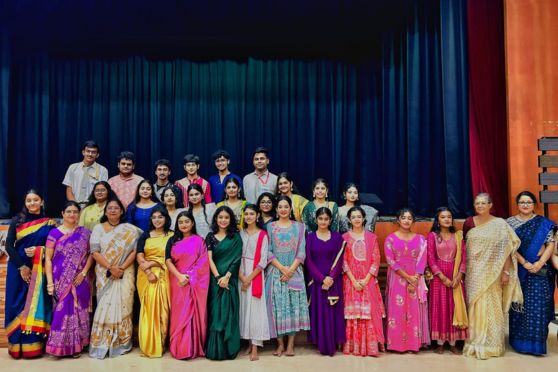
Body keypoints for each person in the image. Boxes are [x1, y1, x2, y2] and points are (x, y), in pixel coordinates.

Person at [462, 193, 522, 359]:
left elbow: (507, 250)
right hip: (473, 272)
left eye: (483, 203)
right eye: (477, 203)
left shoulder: (500, 224)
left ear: (490, 205)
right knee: (473, 304)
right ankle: (473, 341)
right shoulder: (468, 223)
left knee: (492, 305)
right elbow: (464, 248)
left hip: (494, 272)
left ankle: (493, 344)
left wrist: (505, 272)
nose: (480, 206)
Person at [4, 189, 56, 359]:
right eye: (29, 200)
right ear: (25, 202)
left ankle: (33, 346)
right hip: (18, 268)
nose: (32, 203)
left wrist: (40, 250)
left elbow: (54, 248)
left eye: (35, 200)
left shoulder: (50, 223)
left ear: (42, 201)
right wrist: (21, 267)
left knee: (36, 304)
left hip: (39, 269)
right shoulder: (16, 221)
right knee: (17, 303)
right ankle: (16, 346)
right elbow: (9, 247)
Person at [89, 198, 141, 359]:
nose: (112, 210)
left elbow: (134, 251)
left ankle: (121, 342)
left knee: (124, 304)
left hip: (125, 272)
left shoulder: (130, 230)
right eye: (109, 208)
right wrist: (111, 268)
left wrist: (121, 268)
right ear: (105, 212)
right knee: (104, 305)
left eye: (116, 208)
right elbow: (94, 251)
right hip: (105, 273)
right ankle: (101, 342)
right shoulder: (98, 228)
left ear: (121, 211)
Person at [507, 191, 555, 355]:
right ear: (517, 204)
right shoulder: (510, 223)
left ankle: (536, 345)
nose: (525, 205)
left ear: (534, 204)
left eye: (528, 202)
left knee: (539, 307)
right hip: (520, 271)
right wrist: (525, 263)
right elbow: (510, 247)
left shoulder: (544, 223)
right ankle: (519, 342)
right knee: (519, 306)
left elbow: (550, 244)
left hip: (540, 271)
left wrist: (539, 263)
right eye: (522, 202)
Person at [44, 201, 93, 357]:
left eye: (75, 211)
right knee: (62, 311)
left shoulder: (85, 233)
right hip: (60, 280)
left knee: (80, 311)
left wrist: (84, 272)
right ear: (62, 214)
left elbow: (91, 254)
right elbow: (48, 259)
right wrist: (50, 283)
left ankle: (78, 345)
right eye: (69, 211)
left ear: (79, 214)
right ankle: (60, 346)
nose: (72, 214)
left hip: (81, 279)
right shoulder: (54, 233)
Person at [266, 195, 310, 357]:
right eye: (280, 207)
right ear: (276, 209)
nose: (283, 209)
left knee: (293, 309)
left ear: (291, 208)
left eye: (286, 206)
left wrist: (290, 270)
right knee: (277, 310)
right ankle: (280, 345)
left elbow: (301, 250)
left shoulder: (299, 227)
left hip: (294, 272)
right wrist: (282, 269)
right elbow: (268, 251)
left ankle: (291, 345)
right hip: (275, 273)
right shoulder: (270, 227)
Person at [384, 208, 430, 352]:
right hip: (397, 278)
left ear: (413, 221)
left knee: (413, 310)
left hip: (415, 277)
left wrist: (415, 278)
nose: (406, 220)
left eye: (409, 218)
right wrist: (408, 278)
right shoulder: (390, 239)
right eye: (403, 217)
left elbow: (422, 260)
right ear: (398, 220)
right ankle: (396, 344)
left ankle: (412, 344)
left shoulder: (421, 239)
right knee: (397, 310)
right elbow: (391, 261)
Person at [165, 211, 209, 360]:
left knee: (192, 314)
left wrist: (189, 276)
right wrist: (179, 276)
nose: (184, 224)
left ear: (192, 223)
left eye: (187, 221)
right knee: (179, 315)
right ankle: (179, 347)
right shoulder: (172, 240)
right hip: (177, 282)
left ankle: (192, 347)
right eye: (180, 222)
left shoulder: (199, 240)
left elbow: (203, 262)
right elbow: (168, 261)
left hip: (193, 282)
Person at [342, 206, 385, 357]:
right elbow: (344, 262)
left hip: (368, 281)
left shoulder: (371, 238)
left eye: (359, 216)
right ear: (349, 219)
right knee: (354, 314)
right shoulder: (344, 238)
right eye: (353, 217)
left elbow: (376, 260)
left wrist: (366, 280)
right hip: (350, 282)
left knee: (369, 314)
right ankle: (354, 346)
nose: (356, 219)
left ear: (364, 218)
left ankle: (370, 347)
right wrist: (354, 280)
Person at [427, 207, 468, 354]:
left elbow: (464, 258)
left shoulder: (458, 236)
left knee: (453, 307)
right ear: (438, 220)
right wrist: (442, 277)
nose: (446, 219)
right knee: (440, 307)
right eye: (443, 217)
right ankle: (439, 342)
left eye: (449, 217)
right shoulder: (432, 236)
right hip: (439, 278)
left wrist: (459, 277)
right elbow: (430, 259)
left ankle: (453, 342)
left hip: (455, 275)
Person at [305, 207, 346, 356]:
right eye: (320, 219)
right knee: (319, 312)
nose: (323, 221)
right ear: (316, 220)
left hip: (334, 281)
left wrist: (330, 278)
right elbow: (308, 261)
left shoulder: (337, 238)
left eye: (326, 219)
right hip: (317, 282)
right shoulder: (310, 237)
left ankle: (334, 341)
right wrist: (322, 279)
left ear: (330, 221)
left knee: (332, 311)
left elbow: (340, 261)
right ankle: (321, 342)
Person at [136, 206, 174, 358]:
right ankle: (150, 343)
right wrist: (148, 271)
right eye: (154, 217)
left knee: (164, 310)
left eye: (160, 217)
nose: (157, 220)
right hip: (147, 277)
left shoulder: (171, 235)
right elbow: (140, 255)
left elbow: (172, 257)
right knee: (149, 308)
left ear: (166, 219)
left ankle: (162, 341)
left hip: (165, 274)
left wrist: (154, 264)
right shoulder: (145, 235)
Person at [205, 206, 243, 360]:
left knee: (230, 313)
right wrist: (217, 278)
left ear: (231, 219)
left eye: (226, 217)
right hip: (215, 281)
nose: (223, 220)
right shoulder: (210, 237)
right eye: (220, 217)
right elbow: (209, 259)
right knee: (216, 314)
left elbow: (237, 258)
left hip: (230, 280)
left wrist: (226, 276)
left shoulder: (236, 237)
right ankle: (216, 350)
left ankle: (230, 350)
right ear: (216, 219)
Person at [239, 204, 270, 361]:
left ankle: (256, 346)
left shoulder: (262, 235)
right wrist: (242, 277)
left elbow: (263, 260)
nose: (249, 216)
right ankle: (248, 342)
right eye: (247, 214)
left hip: (255, 273)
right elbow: (235, 257)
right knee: (244, 308)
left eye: (252, 213)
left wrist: (249, 278)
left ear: (258, 215)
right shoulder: (240, 234)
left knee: (256, 309)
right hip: (240, 272)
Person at [62, 140, 109, 208]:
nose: (90, 154)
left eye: (93, 152)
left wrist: (89, 207)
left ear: (97, 155)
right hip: (74, 206)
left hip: (94, 206)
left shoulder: (103, 170)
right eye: (88, 151)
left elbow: (102, 192)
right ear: (83, 152)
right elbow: (69, 189)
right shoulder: (73, 167)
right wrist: (75, 206)